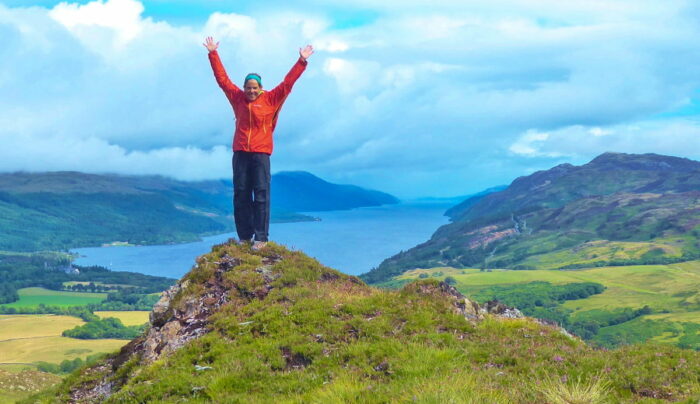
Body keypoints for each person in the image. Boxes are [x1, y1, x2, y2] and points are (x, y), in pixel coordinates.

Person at [204, 36, 313, 250]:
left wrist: (301, 61)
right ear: (244, 88)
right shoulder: (237, 98)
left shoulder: (271, 99)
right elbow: (222, 80)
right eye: (248, 87)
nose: (251, 91)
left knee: (261, 194)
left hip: (261, 153)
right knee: (241, 194)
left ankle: (261, 238)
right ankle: (245, 236)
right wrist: (213, 53)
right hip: (241, 153)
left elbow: (288, 83)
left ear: (260, 88)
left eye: (255, 88)